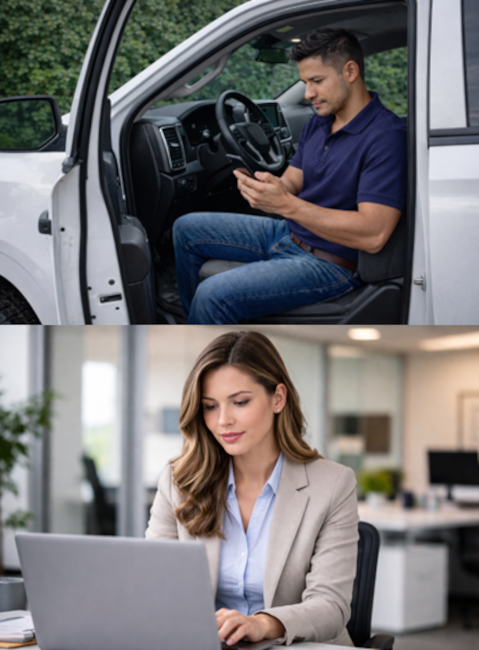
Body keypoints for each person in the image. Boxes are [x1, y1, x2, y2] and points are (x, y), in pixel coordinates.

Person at [173, 27, 407, 323]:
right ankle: (193, 324)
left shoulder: (386, 137)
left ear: (350, 71)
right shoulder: (320, 122)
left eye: (316, 81)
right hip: (287, 233)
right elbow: (293, 180)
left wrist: (286, 206)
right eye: (304, 82)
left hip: (331, 263)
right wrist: (271, 189)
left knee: (212, 295)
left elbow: (373, 234)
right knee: (185, 229)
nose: (309, 94)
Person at [146, 331, 358, 646]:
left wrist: (263, 624)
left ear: (278, 398)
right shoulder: (178, 481)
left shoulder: (333, 484)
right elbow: (152, 584)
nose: (223, 421)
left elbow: (331, 606)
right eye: (210, 406)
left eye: (240, 402)